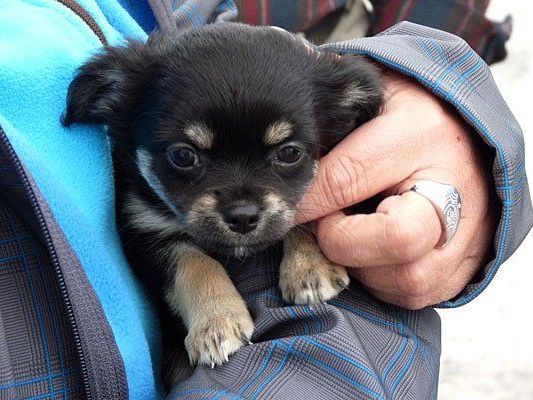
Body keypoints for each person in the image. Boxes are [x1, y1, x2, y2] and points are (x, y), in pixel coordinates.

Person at [0, 1, 528, 399]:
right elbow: (155, 245)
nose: (244, 206)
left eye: (287, 155)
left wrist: (445, 99)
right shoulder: (129, 100)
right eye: (186, 159)